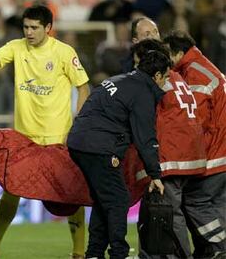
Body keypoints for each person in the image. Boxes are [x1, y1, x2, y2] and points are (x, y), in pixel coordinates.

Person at [0, 5, 90, 259]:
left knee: (72, 196)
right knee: (11, 192)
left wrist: (78, 124)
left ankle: (79, 253)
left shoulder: (64, 52)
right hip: (26, 140)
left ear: (48, 28)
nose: (28, 32)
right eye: (25, 27)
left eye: (34, 28)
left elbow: (83, 88)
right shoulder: (17, 47)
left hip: (58, 139)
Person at [67, 51, 169, 259]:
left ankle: (94, 253)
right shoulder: (143, 93)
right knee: (118, 200)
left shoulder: (118, 80)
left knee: (103, 198)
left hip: (78, 141)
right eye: (166, 77)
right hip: (99, 147)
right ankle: (119, 253)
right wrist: (155, 174)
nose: (166, 82)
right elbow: (146, 138)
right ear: (157, 75)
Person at [130, 39, 206, 259]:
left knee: (169, 213)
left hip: (172, 155)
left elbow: (148, 118)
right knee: (156, 212)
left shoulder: (156, 81)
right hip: (189, 152)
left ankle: (183, 256)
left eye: (138, 63)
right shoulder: (177, 77)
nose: (136, 68)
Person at [163, 30, 226, 259]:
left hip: (216, 151)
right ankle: (210, 251)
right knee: (217, 204)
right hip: (223, 149)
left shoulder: (194, 74)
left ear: (179, 53)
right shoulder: (205, 66)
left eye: (168, 54)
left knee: (194, 201)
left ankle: (219, 245)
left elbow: (196, 121)